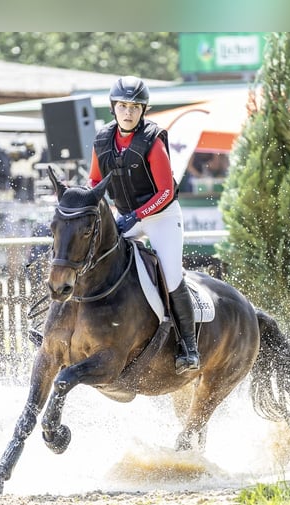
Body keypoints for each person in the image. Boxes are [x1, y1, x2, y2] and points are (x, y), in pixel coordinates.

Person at [87, 75, 200, 374]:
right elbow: (95, 180)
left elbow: (165, 191)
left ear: (143, 110)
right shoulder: (102, 139)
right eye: (123, 106)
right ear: (114, 108)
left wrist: (137, 216)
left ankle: (189, 346)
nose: (128, 112)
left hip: (160, 217)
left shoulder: (152, 140)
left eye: (135, 107)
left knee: (172, 277)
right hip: (125, 217)